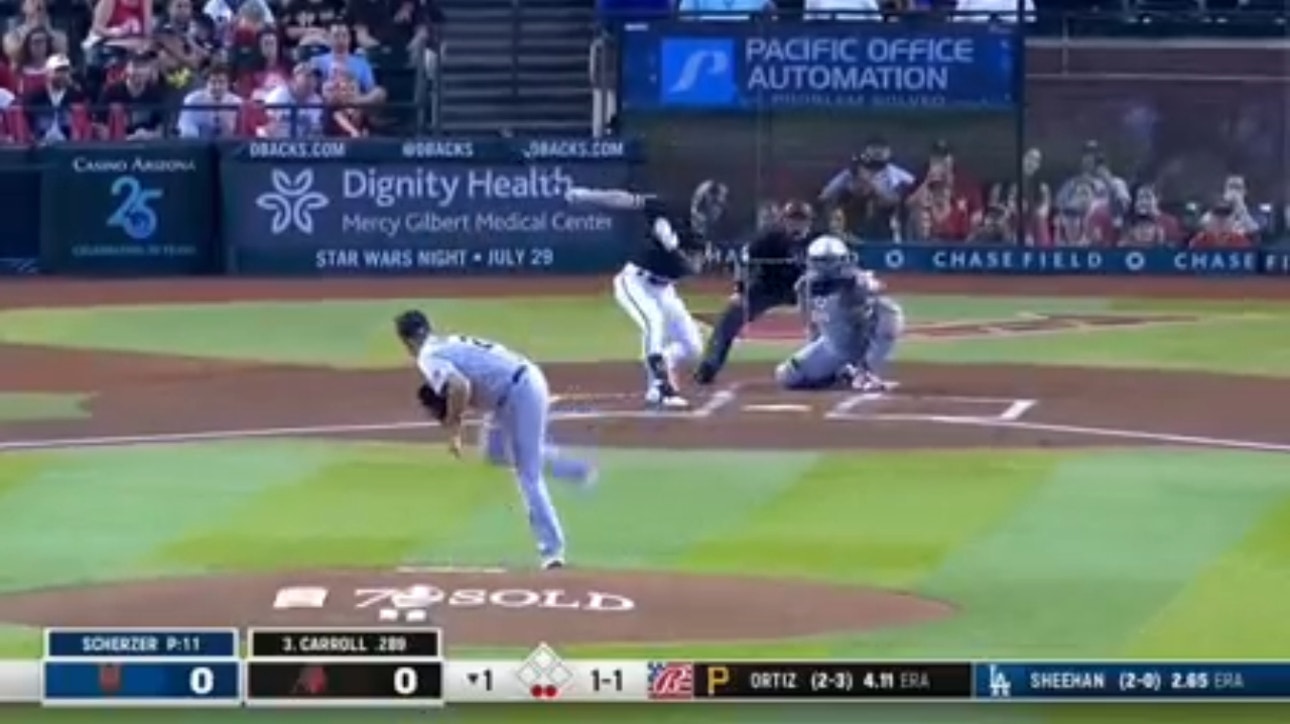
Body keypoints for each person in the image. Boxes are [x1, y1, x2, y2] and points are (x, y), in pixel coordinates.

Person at [394, 310, 596, 570]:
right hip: (517, 386)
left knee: (528, 475)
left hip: (520, 393)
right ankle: (575, 470)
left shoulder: (428, 356)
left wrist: (454, 427)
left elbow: (460, 386)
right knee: (497, 451)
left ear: (407, 341)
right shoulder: (448, 342)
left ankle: (552, 552)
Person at [566, 186, 707, 408]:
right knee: (653, 321)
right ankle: (661, 386)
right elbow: (624, 200)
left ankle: (660, 364)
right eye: (706, 206)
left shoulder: (702, 235)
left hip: (665, 289)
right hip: (636, 281)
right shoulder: (668, 206)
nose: (707, 214)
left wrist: (672, 247)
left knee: (693, 347)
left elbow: (692, 269)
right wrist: (588, 195)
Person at [694, 199, 814, 386]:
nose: (796, 224)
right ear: (784, 221)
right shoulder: (770, 239)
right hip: (769, 287)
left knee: (836, 320)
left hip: (808, 289)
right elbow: (744, 260)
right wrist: (740, 290)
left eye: (801, 220)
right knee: (730, 317)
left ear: (809, 222)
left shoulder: (819, 241)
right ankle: (710, 365)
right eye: (792, 220)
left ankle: (843, 368)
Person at [773, 235, 896, 392]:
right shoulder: (805, 287)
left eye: (830, 260)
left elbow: (877, 306)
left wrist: (864, 288)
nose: (826, 266)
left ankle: (867, 371)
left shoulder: (856, 281)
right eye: (821, 260)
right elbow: (812, 327)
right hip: (831, 345)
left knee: (888, 310)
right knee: (786, 375)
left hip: (857, 344)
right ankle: (841, 372)